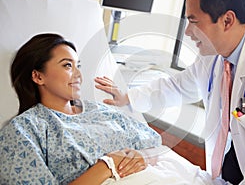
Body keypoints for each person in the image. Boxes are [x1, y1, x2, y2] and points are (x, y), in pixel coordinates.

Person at [95, 0, 245, 184]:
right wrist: (129, 97)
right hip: (228, 170)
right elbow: (177, 86)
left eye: (193, 21)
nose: (187, 32)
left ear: (227, 20)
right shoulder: (212, 57)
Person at [0, 33, 162, 184]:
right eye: (68, 65)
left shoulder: (101, 111)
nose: (79, 75)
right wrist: (108, 165)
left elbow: (154, 143)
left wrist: (142, 156)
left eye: (78, 66)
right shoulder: (24, 129)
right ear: (38, 76)